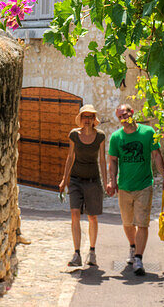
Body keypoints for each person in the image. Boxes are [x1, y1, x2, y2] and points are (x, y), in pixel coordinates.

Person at [106, 103, 164, 276]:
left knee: (142, 223)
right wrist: (112, 181)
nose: (123, 119)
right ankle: (133, 247)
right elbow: (113, 160)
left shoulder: (148, 133)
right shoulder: (116, 137)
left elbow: (157, 155)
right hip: (125, 187)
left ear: (132, 113)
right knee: (127, 223)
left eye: (125, 114)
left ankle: (139, 259)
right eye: (120, 117)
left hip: (144, 185)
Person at [58, 104, 108, 267]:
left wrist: (106, 181)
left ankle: (92, 252)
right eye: (85, 116)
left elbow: (102, 160)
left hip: (93, 180)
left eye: (90, 117)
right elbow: (70, 158)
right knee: (74, 214)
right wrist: (64, 180)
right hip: (76, 181)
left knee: (92, 217)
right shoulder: (74, 135)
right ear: (81, 119)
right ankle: (77, 253)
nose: (87, 120)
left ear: (94, 120)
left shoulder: (100, 136)